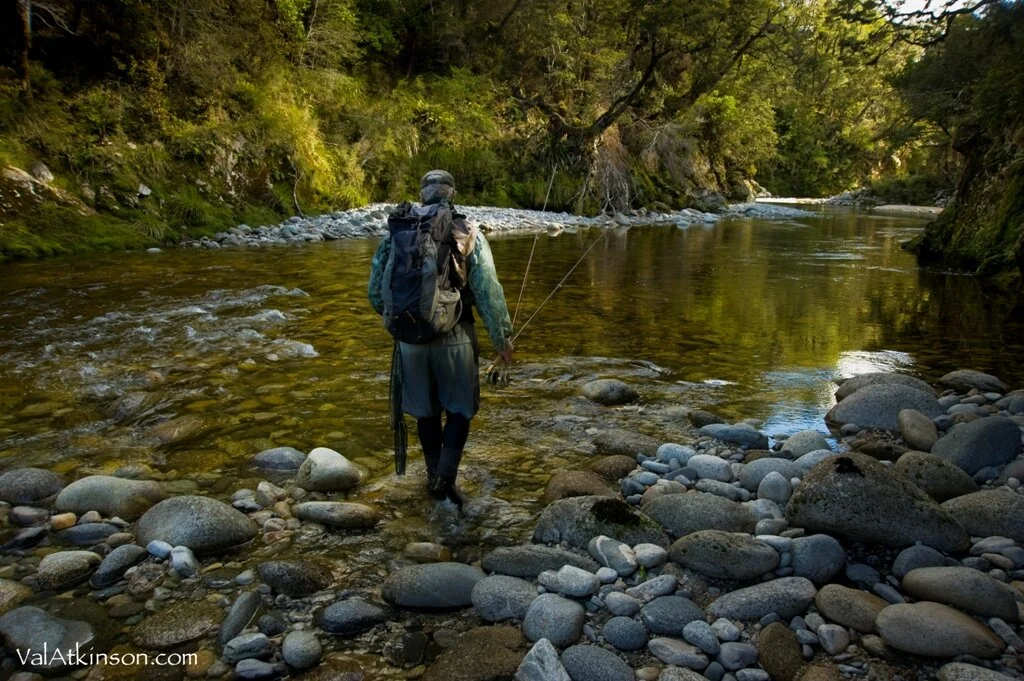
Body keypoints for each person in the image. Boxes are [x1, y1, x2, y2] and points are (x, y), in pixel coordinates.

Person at [368, 169, 513, 506]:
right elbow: (488, 291)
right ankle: (446, 481)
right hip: (455, 338)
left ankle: (435, 479)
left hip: (410, 343)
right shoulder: (468, 231)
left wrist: (408, 322)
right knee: (460, 411)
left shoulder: (396, 234)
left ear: (422, 195)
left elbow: (376, 293)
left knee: (426, 413)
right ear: (452, 194)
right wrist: (503, 339)